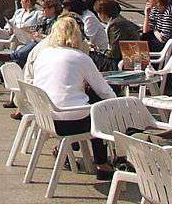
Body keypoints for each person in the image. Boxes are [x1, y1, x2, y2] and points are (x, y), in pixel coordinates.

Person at [31, 16, 116, 180]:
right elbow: (104, 91)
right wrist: (116, 103)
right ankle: (102, 163)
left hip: (45, 117)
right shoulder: (80, 57)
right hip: (68, 121)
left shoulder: (43, 54)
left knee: (82, 106)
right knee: (99, 113)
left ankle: (66, 149)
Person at [95, 0, 141, 67]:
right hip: (128, 57)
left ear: (103, 13)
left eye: (98, 13)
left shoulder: (115, 25)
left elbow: (114, 52)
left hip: (126, 61)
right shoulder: (119, 20)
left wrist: (100, 51)